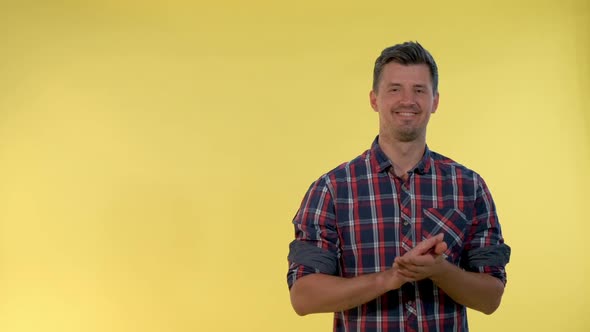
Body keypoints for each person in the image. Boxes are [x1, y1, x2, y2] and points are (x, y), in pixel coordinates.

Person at [286, 41, 511, 331]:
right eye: (395, 89)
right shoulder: (332, 189)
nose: (408, 100)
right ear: (374, 99)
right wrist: (389, 278)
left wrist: (440, 271)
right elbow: (304, 297)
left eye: (419, 90)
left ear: (435, 101)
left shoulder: (468, 186)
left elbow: (490, 298)